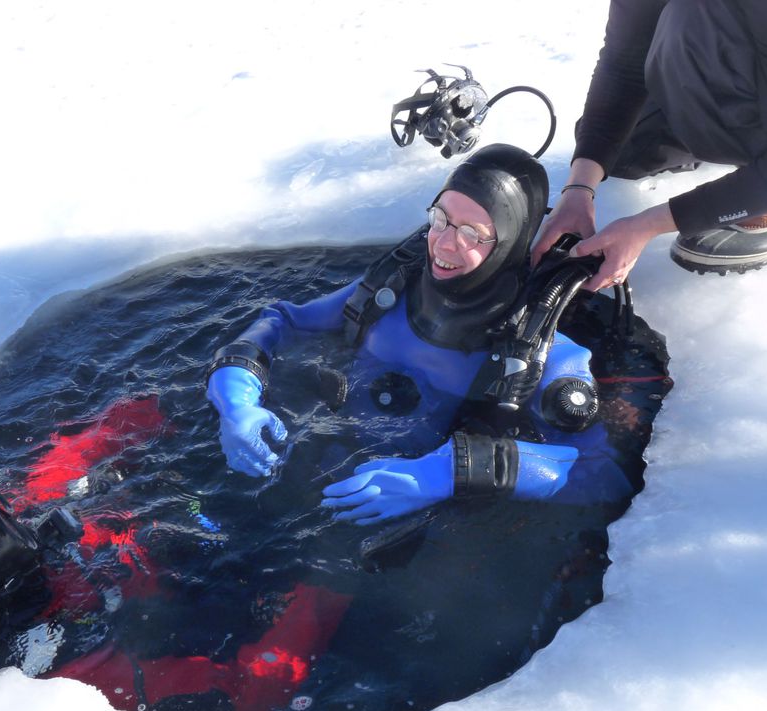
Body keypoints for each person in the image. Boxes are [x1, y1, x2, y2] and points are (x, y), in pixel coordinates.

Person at [0, 397, 352, 711]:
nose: (18, 521)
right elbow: (243, 695)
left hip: (165, 525)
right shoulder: (80, 680)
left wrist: (156, 411)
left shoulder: (11, 553)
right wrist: (327, 589)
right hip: (210, 576)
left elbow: (73, 456)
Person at [206, 143, 634, 525]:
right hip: (312, 467)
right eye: (442, 219)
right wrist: (235, 403)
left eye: (473, 234)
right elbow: (282, 320)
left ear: (510, 243)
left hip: (408, 526)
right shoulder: (387, 291)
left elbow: (598, 474)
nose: (445, 244)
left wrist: (445, 475)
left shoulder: (538, 353)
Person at [533, 0, 767, 286]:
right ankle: (721, 128)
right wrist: (579, 188)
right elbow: (621, 64)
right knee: (621, 151)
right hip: (765, 50)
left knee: (692, 18)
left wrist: (647, 224)